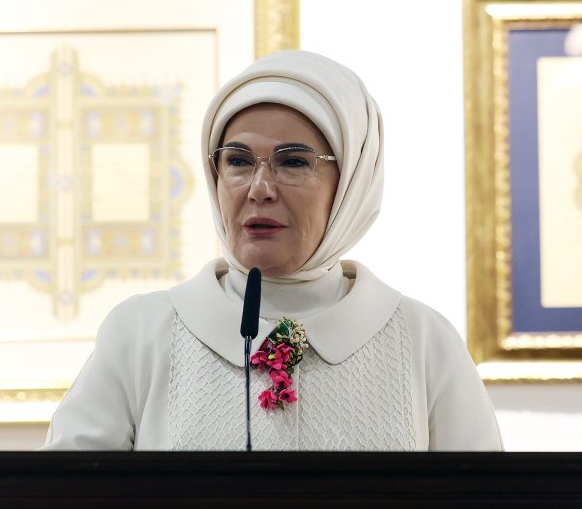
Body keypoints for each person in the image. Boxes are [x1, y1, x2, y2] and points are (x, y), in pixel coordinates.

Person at [41, 50, 502, 451]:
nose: (260, 188)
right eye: (238, 161)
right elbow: (59, 496)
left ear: (351, 183)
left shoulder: (423, 341)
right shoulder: (142, 333)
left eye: (294, 161)